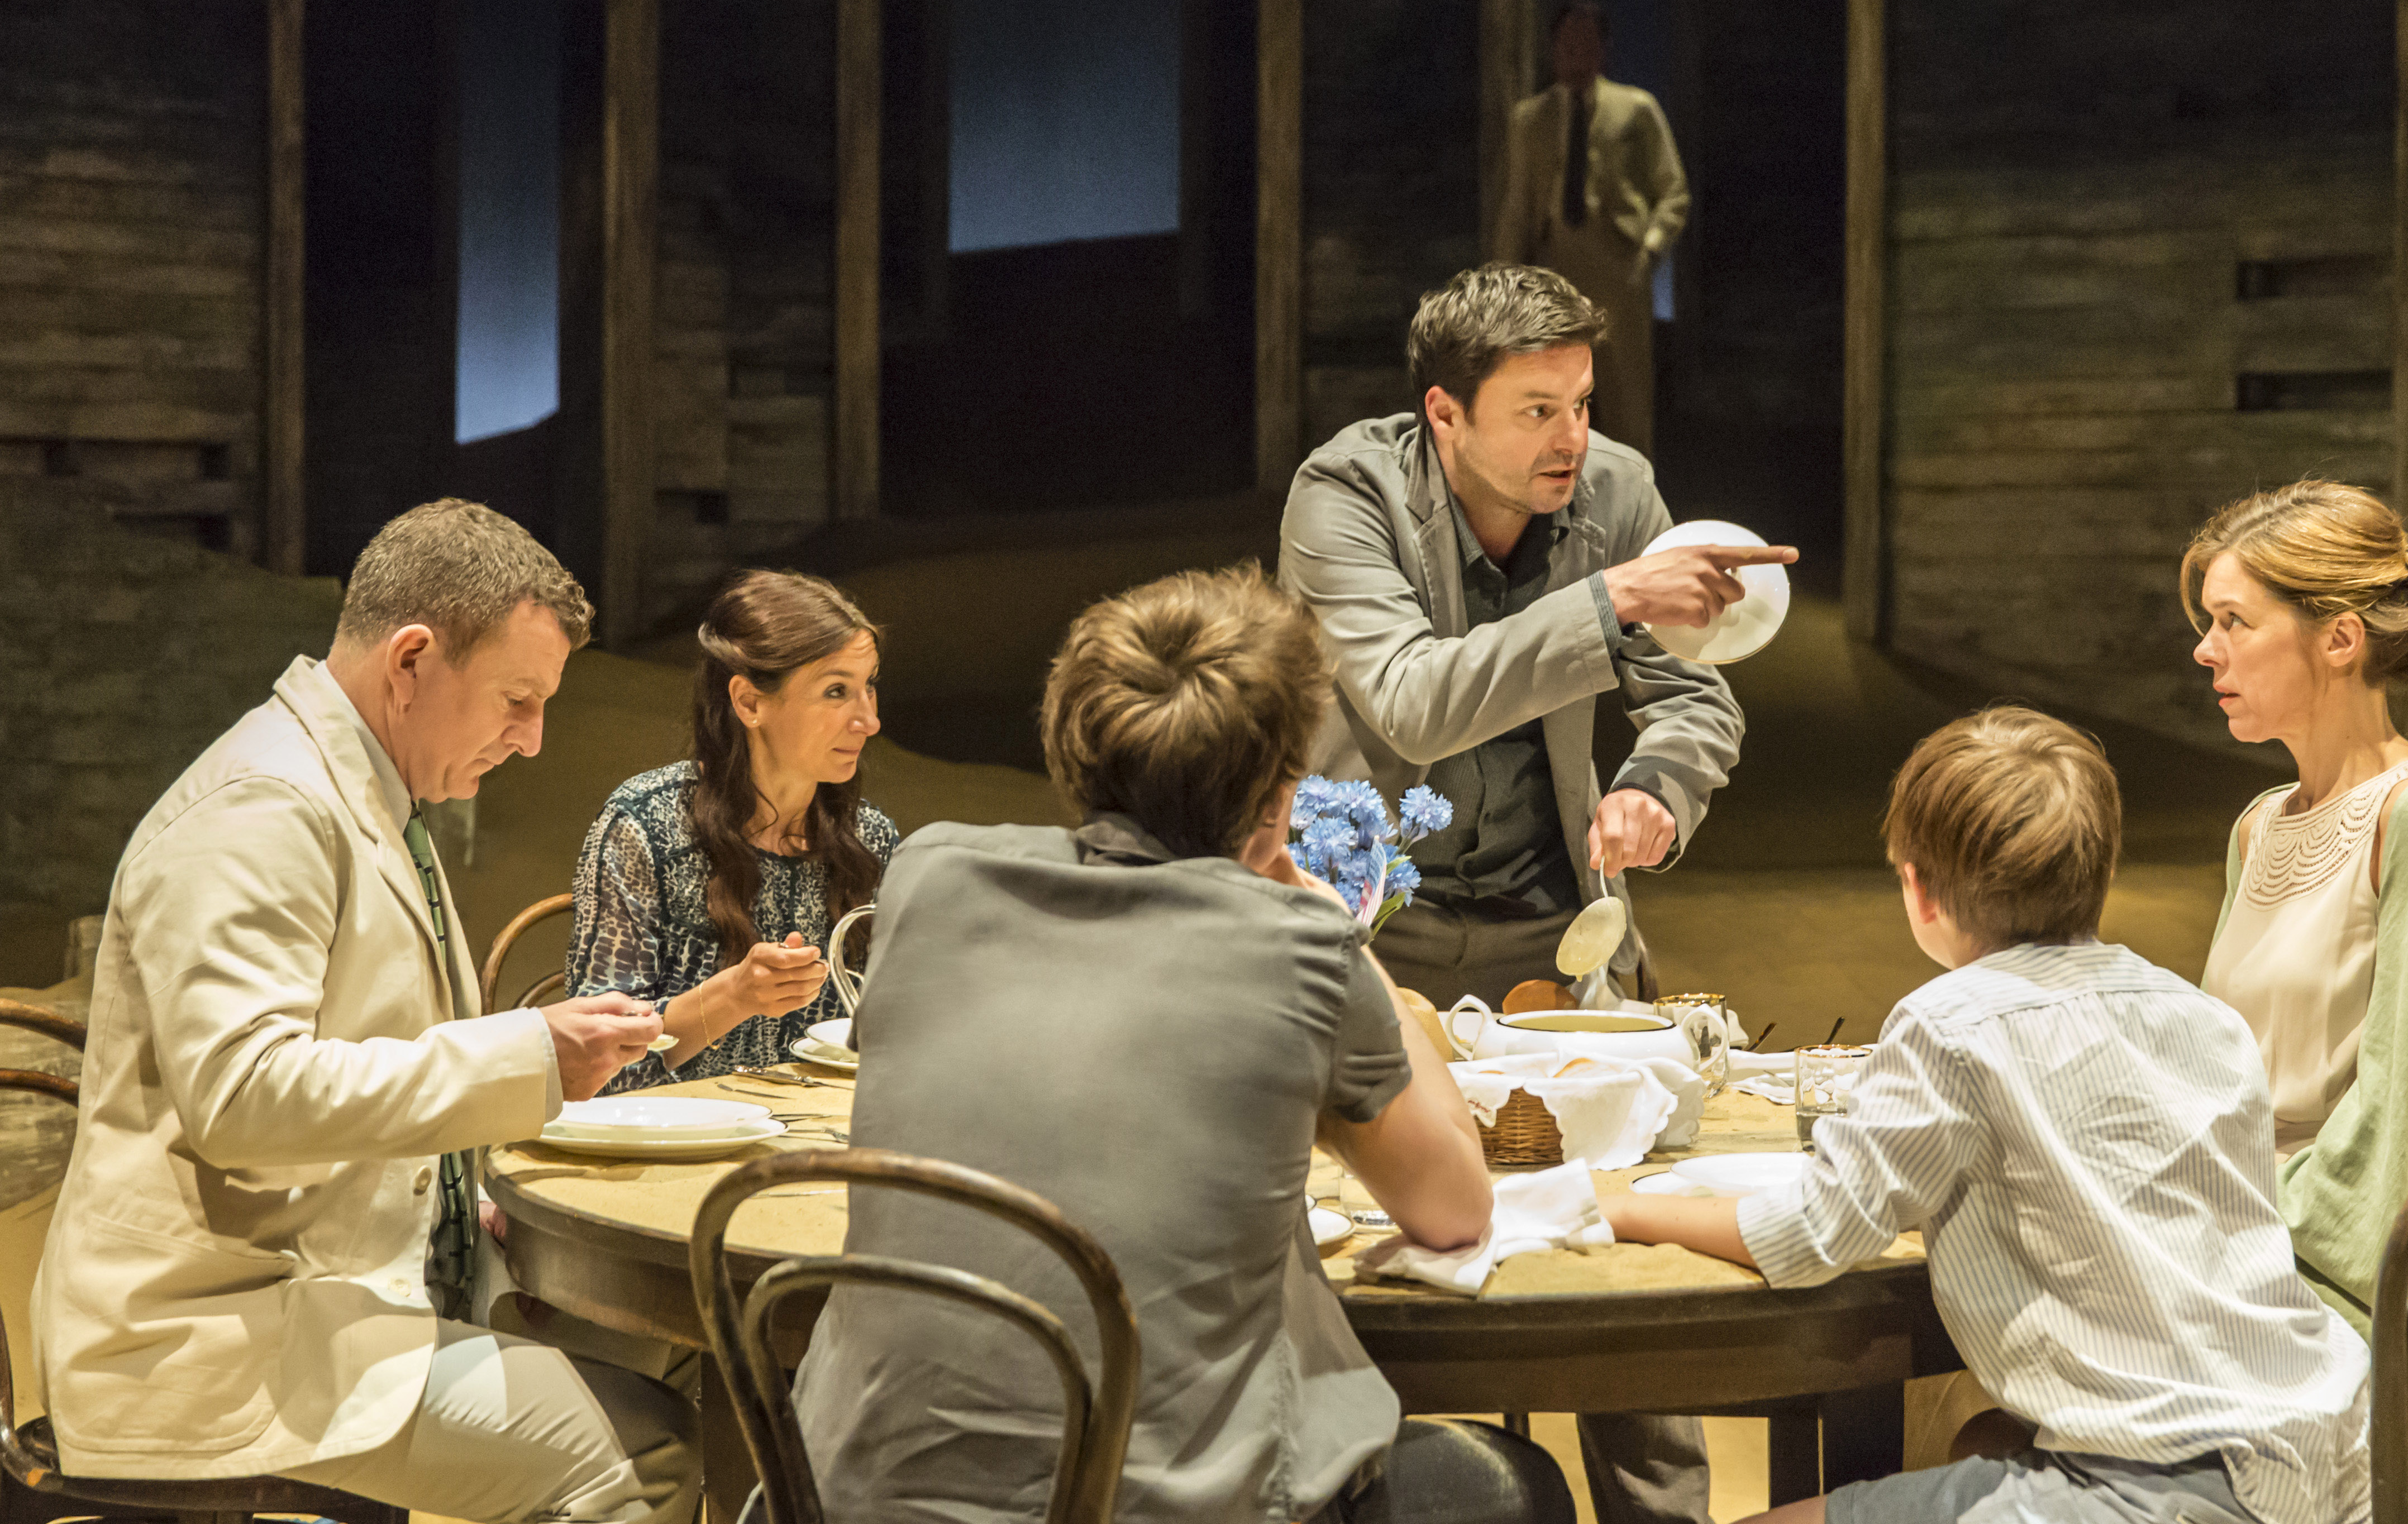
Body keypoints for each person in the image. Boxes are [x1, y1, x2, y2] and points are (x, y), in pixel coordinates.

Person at [791, 565, 1570, 1524]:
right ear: (1279, 795)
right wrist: (1345, 940)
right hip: (1151, 1504)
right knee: (1511, 1486)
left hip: (848, 1498)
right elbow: (1454, 1209)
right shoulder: (1294, 944)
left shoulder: (929, 875)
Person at [34, 500, 693, 1524]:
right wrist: (529, 1053)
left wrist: (452, 1200)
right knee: (633, 1455)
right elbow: (246, 1098)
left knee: (665, 1361)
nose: (532, 739)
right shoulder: (264, 802)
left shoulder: (359, 793)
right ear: (413, 660)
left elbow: (345, 1074)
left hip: (311, 1290)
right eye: (518, 698)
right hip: (206, 1334)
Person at [1282, 262, 1785, 1524]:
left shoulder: (1612, 488)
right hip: (1369, 932)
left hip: (1545, 924)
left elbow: (1691, 689)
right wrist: (1610, 597)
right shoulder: (1345, 492)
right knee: (1359, 1238)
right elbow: (1407, 694)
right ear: (1444, 415)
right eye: (1535, 410)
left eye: (1581, 402)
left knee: (1627, 1241)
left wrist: (1657, 791)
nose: (1573, 438)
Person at [1601, 708, 2373, 1524]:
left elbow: (1814, 1233)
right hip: (2324, 1447)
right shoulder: (2201, 1016)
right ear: (2101, 870)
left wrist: (1630, 1208)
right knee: (1983, 1440)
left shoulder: (1950, 1025)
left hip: (2166, 1487)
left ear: (1917, 889)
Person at [2185, 483, 2408, 1399]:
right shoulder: (2259, 825)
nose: (2204, 648)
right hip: (2253, 1218)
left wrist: (2245, 1223)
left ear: (2338, 638)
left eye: (2232, 620)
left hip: (2375, 1263)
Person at [568, 569, 898, 1091]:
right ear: (749, 703)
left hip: (817, 1142)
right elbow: (594, 1067)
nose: (869, 720)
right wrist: (733, 998)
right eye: (836, 691)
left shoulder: (869, 840)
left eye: (869, 687)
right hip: (668, 1148)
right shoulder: (647, 826)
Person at [1491, 0, 1690, 454]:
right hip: (1555, 267)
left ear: (1603, 49)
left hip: (1619, 267)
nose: (1573, 51)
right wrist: (1503, 279)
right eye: (1565, 41)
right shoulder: (1531, 119)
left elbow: (1673, 189)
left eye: (1585, 41)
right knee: (1551, 392)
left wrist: (1649, 251)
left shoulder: (1635, 109)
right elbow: (1519, 205)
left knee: (1626, 400)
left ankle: (1636, 504)